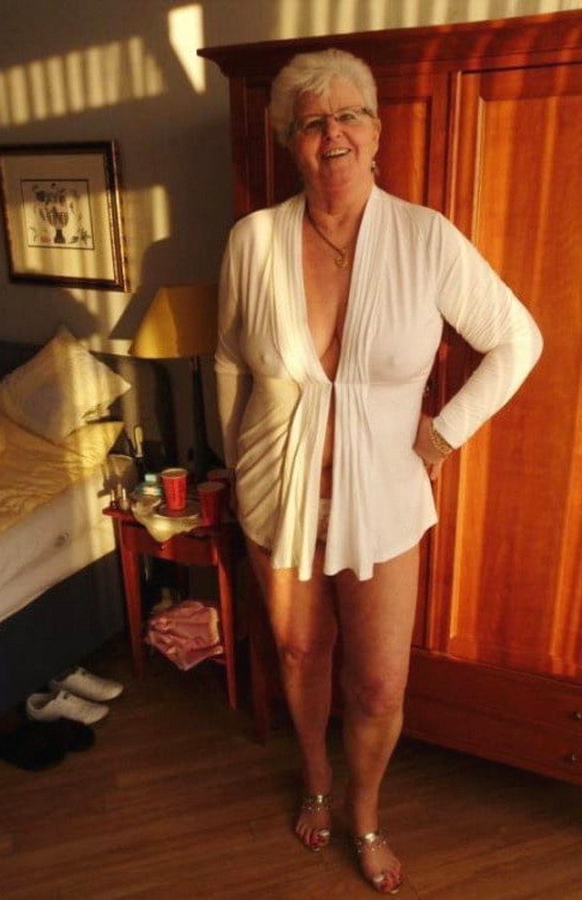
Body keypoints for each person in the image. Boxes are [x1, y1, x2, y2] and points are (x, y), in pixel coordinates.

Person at [215, 48, 542, 895]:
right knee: (297, 651)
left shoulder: (425, 238)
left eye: (348, 115)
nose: (333, 134)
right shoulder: (254, 240)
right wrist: (236, 459)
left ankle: (364, 813)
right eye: (312, 121)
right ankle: (316, 779)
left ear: (376, 131)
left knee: (377, 684)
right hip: (276, 493)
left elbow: (518, 340)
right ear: (289, 140)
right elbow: (229, 359)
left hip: (387, 502)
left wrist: (443, 436)